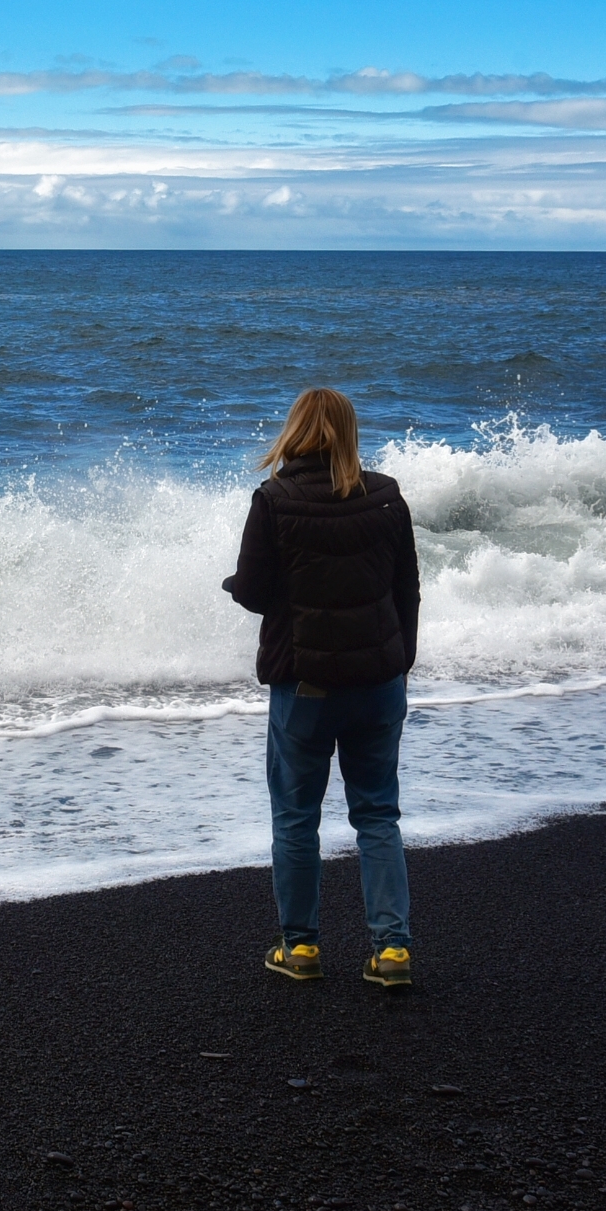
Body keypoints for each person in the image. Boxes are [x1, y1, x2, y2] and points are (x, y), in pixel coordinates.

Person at [223, 388, 422, 988]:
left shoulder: (275, 500)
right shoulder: (385, 496)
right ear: (348, 433)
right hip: (378, 682)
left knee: (295, 818)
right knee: (377, 814)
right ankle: (392, 951)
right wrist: (401, 661)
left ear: (295, 432)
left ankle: (301, 948)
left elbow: (254, 592)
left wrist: (236, 583)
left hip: (305, 685)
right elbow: (407, 589)